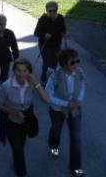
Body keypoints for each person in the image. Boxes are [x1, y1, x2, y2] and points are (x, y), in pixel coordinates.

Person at [0, 59, 50, 177]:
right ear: (13, 71)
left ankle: (16, 160)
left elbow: (46, 99)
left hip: (26, 119)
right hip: (11, 121)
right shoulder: (6, 86)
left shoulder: (31, 83)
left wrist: (36, 82)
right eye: (18, 70)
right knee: (18, 148)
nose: (21, 74)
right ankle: (21, 173)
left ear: (29, 72)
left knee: (21, 144)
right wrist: (14, 112)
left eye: (25, 71)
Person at [45, 48, 85, 177]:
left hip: (74, 108)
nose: (76, 64)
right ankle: (54, 145)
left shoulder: (79, 72)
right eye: (72, 62)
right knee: (56, 129)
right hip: (58, 109)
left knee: (76, 137)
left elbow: (83, 86)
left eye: (77, 60)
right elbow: (49, 96)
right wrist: (67, 104)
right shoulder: (55, 76)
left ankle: (76, 167)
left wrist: (78, 100)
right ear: (64, 64)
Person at [34, 1, 66, 85]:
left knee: (54, 63)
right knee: (47, 63)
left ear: (57, 10)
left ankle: (52, 79)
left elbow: (63, 28)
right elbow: (36, 32)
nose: (52, 13)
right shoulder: (42, 20)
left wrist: (64, 32)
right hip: (45, 45)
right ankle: (43, 80)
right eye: (50, 11)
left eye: (54, 10)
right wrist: (44, 34)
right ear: (46, 11)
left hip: (56, 45)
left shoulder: (60, 18)